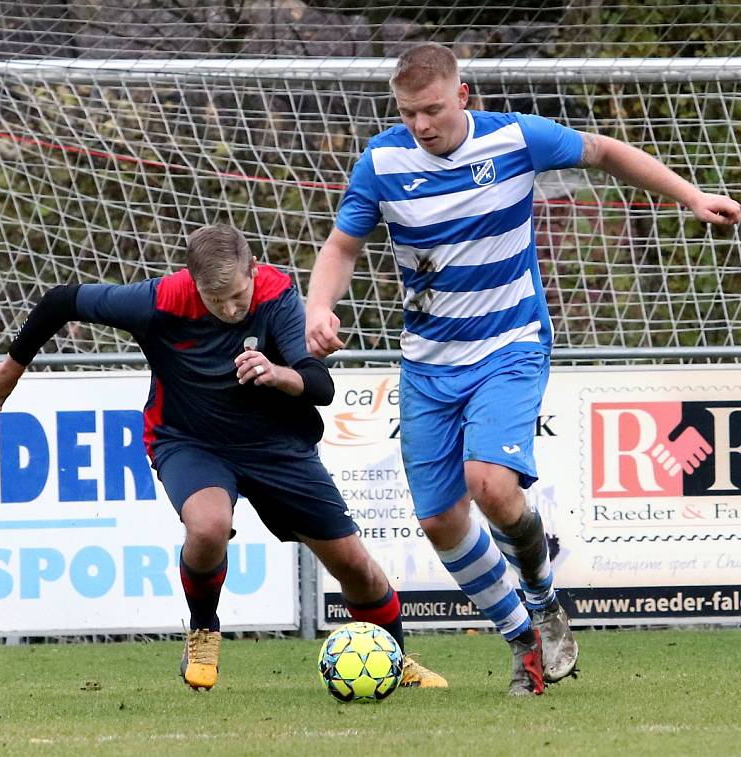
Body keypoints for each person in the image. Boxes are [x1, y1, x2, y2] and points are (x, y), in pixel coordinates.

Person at [305, 42, 741, 696]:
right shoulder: (382, 161)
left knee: (491, 482)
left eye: (431, 110)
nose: (421, 124)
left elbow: (605, 152)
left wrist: (691, 196)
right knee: (439, 519)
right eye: (408, 112)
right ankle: (524, 640)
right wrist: (318, 308)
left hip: (510, 343)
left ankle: (541, 597)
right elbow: (342, 246)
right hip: (428, 363)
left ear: (463, 96)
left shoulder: (514, 138)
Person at [0, 223, 447, 691]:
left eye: (238, 296)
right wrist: (12, 367)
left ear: (253, 268)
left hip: (275, 447)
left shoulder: (277, 296)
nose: (232, 309)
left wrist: (277, 373)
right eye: (217, 301)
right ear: (193, 283)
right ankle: (203, 631)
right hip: (189, 441)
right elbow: (61, 300)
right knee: (208, 526)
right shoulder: (160, 300)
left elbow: (319, 385)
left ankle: (395, 660)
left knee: (354, 566)